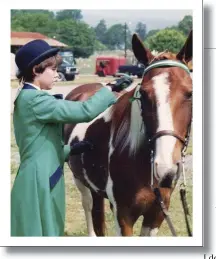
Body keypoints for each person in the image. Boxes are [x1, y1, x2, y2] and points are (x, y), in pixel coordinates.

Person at [11, 39, 126, 236]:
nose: (57, 74)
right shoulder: (36, 100)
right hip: (39, 179)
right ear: (36, 70)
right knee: (39, 233)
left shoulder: (29, 97)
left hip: (42, 173)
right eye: (53, 69)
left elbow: (38, 144)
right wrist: (109, 90)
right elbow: (84, 110)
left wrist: (71, 149)